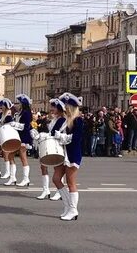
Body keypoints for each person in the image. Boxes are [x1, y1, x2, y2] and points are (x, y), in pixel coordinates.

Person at [52, 92, 84, 221]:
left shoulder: (78, 120)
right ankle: (67, 206)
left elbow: (77, 138)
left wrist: (63, 137)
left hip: (72, 154)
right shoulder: (66, 121)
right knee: (56, 178)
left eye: (66, 106)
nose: (64, 108)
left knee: (71, 182)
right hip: (63, 154)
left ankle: (73, 209)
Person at [33, 98, 66, 200]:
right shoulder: (54, 119)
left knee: (57, 169)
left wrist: (42, 135)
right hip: (51, 143)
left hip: (58, 145)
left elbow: (55, 133)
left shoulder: (62, 120)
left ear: (59, 108)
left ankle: (59, 191)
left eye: (53, 107)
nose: (51, 109)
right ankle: (45, 190)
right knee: (43, 166)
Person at [10, 94, 33, 187]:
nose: (17, 105)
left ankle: (26, 178)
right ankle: (12, 177)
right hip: (18, 136)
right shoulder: (20, 113)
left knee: (23, 158)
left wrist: (15, 125)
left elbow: (26, 126)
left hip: (24, 137)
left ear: (23, 104)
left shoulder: (26, 113)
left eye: (19, 103)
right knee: (10, 155)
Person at [0, 98, 16, 185]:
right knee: (5, 154)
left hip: (7, 135)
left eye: (3, 106)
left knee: (7, 154)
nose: (1, 108)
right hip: (3, 135)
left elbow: (8, 125)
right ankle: (8, 172)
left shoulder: (8, 115)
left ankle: (9, 173)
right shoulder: (4, 115)